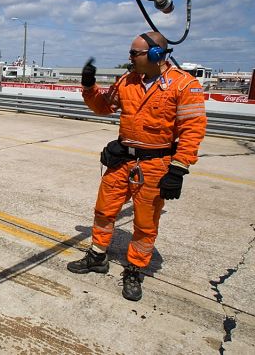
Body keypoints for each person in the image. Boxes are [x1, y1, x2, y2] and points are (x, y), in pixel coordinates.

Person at [67, 31, 207, 301]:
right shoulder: (126, 81)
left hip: (156, 165)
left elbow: (193, 130)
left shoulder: (183, 85)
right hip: (122, 161)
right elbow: (104, 107)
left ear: (156, 55)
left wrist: (178, 169)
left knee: (145, 224)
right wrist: (88, 87)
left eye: (134, 53)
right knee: (104, 211)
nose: (129, 57)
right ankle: (97, 256)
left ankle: (135, 268)